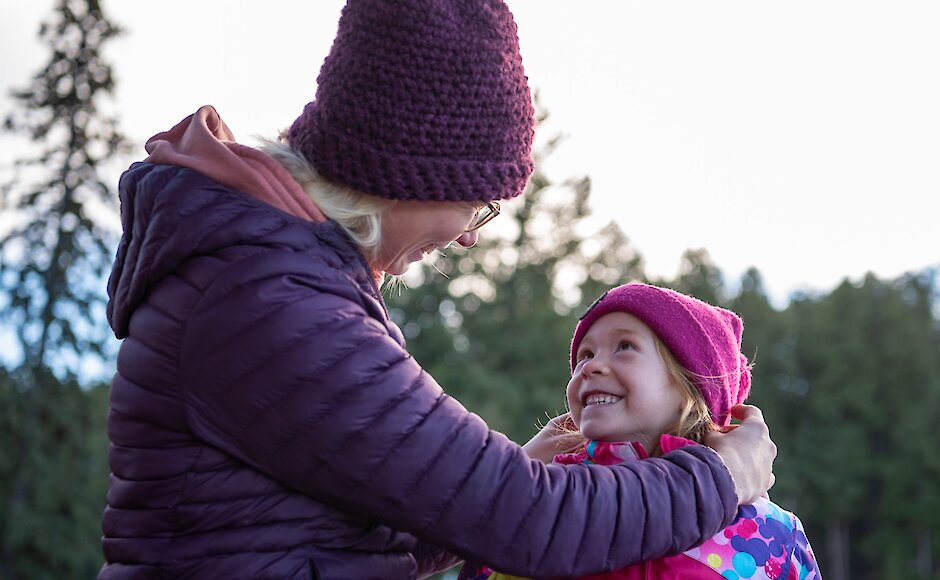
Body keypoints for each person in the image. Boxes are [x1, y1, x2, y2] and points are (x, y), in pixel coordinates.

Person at [100, 1, 776, 578]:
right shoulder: (271, 300)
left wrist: (480, 495)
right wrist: (724, 478)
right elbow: (537, 522)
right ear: (410, 178)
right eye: (478, 205)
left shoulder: (278, 281)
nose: (468, 237)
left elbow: (334, 543)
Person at [459, 283, 819, 580]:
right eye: (584, 355)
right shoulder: (541, 500)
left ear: (688, 388)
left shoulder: (768, 533)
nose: (590, 367)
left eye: (624, 347)